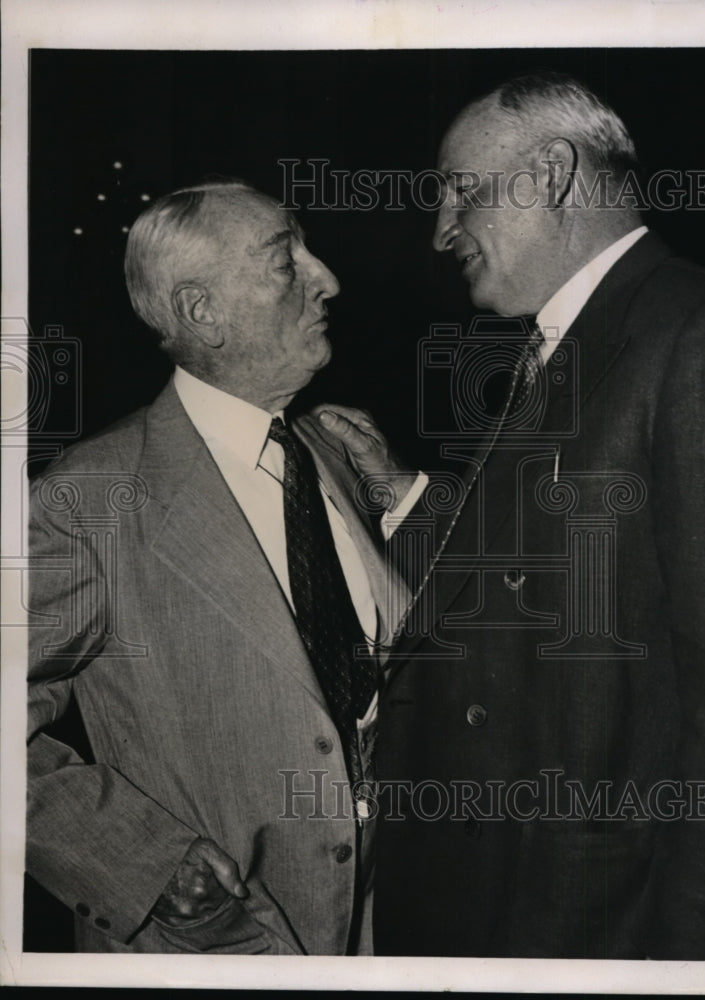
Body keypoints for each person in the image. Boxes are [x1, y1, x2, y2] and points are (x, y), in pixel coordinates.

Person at [323, 72, 705, 959]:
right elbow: (557, 579)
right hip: (505, 890)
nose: (440, 230)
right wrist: (408, 495)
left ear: (550, 175)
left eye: (460, 190)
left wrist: (696, 955)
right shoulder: (577, 337)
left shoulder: (703, 334)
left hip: (591, 915)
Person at [25, 180, 415, 954]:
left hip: (388, 928)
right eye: (285, 260)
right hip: (223, 940)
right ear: (203, 311)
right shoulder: (88, 497)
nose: (326, 277)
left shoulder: (335, 450)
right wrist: (143, 864)